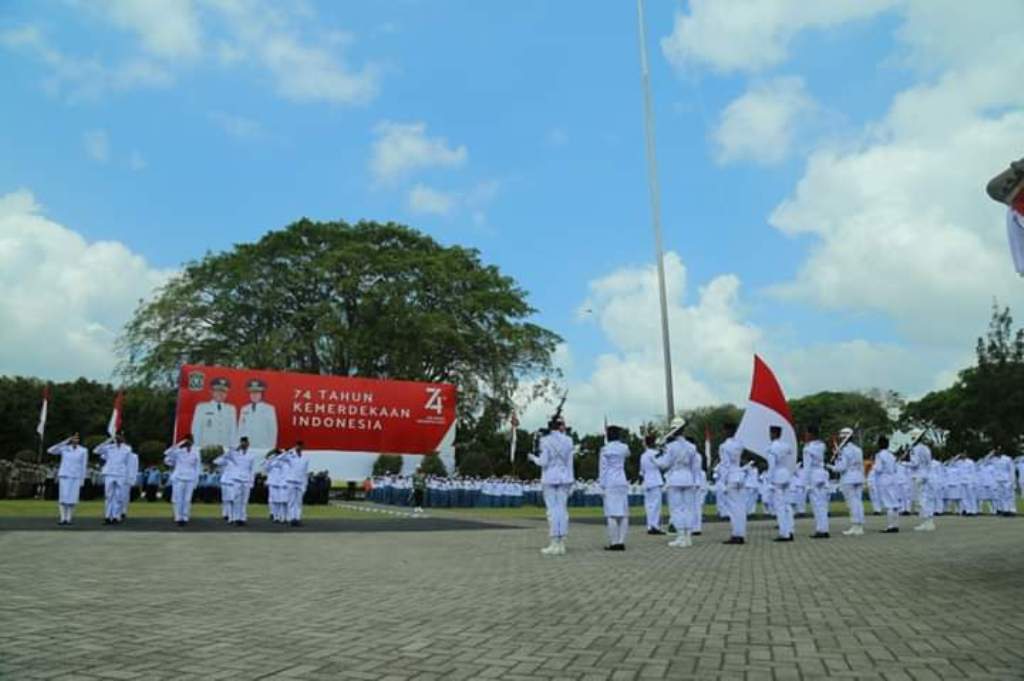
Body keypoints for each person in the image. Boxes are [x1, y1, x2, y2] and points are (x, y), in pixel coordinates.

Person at [528, 416, 574, 556]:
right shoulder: (568, 440)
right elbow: (569, 462)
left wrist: (533, 458)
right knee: (562, 510)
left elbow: (544, 462)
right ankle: (561, 543)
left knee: (552, 511)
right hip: (564, 476)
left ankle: (554, 542)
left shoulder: (545, 441)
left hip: (550, 477)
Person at [657, 419, 701, 548]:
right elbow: (695, 467)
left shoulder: (671, 446)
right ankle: (688, 537)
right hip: (688, 478)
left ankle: (681, 536)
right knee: (688, 508)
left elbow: (665, 464)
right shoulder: (692, 447)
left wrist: (656, 458)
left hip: (675, 478)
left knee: (676, 509)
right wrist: (696, 481)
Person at [598, 425, 631, 551]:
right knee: (623, 513)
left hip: (610, 481)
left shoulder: (605, 449)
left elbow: (603, 469)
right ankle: (621, 541)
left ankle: (614, 541)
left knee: (611, 514)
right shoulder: (624, 448)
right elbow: (628, 454)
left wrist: (601, 485)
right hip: (621, 479)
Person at [47, 433, 89, 526]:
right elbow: (50, 450)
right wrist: (65, 442)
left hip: (76, 476)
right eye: (74, 438)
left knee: (72, 499)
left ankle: (69, 518)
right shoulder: (64, 448)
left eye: (77, 438)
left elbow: (83, 465)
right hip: (65, 475)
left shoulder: (83, 450)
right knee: (63, 498)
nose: (75, 440)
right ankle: (62, 518)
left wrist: (82, 479)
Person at [829, 427, 865, 536]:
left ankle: (855, 526)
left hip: (848, 478)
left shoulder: (844, 450)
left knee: (852, 503)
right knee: (858, 502)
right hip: (859, 477)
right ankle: (859, 526)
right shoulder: (858, 449)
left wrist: (830, 467)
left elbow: (842, 467)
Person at [213, 437, 255, 526]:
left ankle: (242, 518)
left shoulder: (251, 455)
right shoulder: (235, 454)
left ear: (248, 444)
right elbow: (225, 456)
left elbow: (251, 470)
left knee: (244, 500)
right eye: (243, 443)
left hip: (246, 480)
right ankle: (236, 518)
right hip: (237, 480)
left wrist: (252, 482)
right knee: (236, 500)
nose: (245, 445)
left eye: (246, 443)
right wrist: (237, 448)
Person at [765, 425, 796, 542]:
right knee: (787, 505)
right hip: (786, 475)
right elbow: (790, 461)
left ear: (773, 434)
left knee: (779, 506)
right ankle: (790, 530)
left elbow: (771, 466)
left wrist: (769, 480)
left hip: (777, 476)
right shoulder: (786, 446)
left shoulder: (771, 448)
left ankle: (784, 533)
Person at [718, 422, 747, 545]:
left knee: (733, 508)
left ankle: (736, 534)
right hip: (739, 475)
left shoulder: (724, 446)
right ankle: (741, 533)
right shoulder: (739, 444)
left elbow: (725, 465)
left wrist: (722, 481)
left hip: (731, 476)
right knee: (740, 507)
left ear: (726, 431)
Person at [95, 433, 133, 525]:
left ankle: (116, 517)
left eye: (120, 437)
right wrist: (108, 440)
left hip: (121, 474)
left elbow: (128, 463)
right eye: (117, 437)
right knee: (108, 496)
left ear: (123, 438)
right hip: (110, 473)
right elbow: (96, 450)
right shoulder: (109, 447)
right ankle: (108, 517)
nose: (118, 438)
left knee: (119, 497)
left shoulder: (127, 448)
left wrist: (129, 477)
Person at [164, 434, 202, 526]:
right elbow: (166, 454)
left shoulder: (196, 451)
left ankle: (185, 517)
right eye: (188, 440)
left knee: (187, 499)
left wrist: (196, 480)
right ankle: (178, 518)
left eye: (191, 441)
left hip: (190, 478)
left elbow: (197, 467)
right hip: (179, 478)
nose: (189, 442)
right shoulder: (178, 451)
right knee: (178, 498)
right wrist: (179, 445)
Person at [191, 377, 237, 450]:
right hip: (206, 450)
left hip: (225, 450)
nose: (220, 393)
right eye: (217, 390)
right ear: (212, 391)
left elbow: (233, 432)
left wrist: (233, 450)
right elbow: (196, 431)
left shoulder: (231, 409)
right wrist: (195, 449)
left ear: (227, 393)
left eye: (223, 391)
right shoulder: (202, 407)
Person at [802, 425, 830, 538]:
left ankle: (821, 529)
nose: (805, 435)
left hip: (813, 475)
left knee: (817, 505)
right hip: (822, 474)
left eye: (806, 433)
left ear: (810, 434)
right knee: (823, 504)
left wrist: (806, 482)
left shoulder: (808, 448)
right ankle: (824, 528)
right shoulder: (821, 445)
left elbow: (807, 467)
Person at [236, 378, 278, 450]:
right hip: (247, 448)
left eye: (257, 393)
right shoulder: (244, 409)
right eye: (252, 393)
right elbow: (241, 429)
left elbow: (273, 431)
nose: (254, 395)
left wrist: (270, 449)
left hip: (262, 448)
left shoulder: (269, 409)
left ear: (261, 394)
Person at [907, 431, 936, 531]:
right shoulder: (926, 448)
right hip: (926, 475)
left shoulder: (914, 449)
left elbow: (914, 463)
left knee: (920, 500)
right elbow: (928, 463)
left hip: (917, 475)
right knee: (926, 498)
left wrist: (903, 463)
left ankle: (925, 522)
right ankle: (930, 521)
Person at [873, 436, 901, 533]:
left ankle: (890, 526)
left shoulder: (879, 455)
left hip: (884, 479)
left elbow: (878, 468)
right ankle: (896, 525)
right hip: (893, 478)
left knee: (888, 503)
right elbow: (895, 468)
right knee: (895, 502)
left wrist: (873, 467)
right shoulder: (891, 455)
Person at [638, 434, 665, 534]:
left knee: (648, 505)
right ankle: (655, 526)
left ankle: (650, 525)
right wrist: (662, 453)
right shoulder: (655, 453)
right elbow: (662, 465)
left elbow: (641, 471)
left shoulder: (643, 455)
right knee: (656, 505)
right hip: (655, 480)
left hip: (647, 481)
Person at [281, 441, 310, 526]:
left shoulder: (305, 458)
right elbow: (279, 459)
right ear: (295, 446)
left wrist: (305, 484)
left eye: (301, 446)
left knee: (299, 502)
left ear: (303, 447)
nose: (299, 447)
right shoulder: (290, 456)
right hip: (291, 481)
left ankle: (297, 518)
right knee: (291, 501)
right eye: (298, 446)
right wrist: (287, 452)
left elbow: (305, 472)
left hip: (300, 482)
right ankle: (291, 519)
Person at [264, 449, 289, 522]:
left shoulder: (285, 461)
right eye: (277, 453)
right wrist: (268, 458)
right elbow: (266, 468)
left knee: (283, 500)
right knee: (274, 500)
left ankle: (283, 516)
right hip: (273, 483)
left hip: (282, 483)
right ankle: (275, 515)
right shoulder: (272, 460)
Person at [121, 445, 139, 521]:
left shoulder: (134, 456)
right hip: (119, 475)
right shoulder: (120, 454)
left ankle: (123, 511)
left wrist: (133, 479)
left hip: (128, 478)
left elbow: (135, 468)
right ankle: (116, 512)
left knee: (125, 496)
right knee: (117, 495)